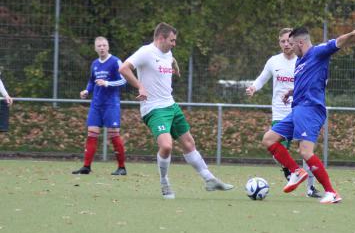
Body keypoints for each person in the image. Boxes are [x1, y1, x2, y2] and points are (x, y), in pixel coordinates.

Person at [119, 22, 233, 199]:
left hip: (171, 105)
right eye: (172, 40)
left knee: (189, 143)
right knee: (166, 146)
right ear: (161, 38)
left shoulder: (167, 52)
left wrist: (174, 64)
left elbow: (168, 58)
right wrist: (140, 86)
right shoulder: (145, 52)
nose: (174, 44)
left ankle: (209, 179)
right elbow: (123, 68)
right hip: (154, 109)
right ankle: (164, 183)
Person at [262, 25, 355, 204]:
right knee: (269, 139)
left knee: (305, 152)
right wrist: (291, 92)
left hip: (311, 109)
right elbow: (305, 82)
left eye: (291, 43)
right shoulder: (300, 61)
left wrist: (353, 34)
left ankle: (331, 192)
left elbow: (338, 42)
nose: (289, 47)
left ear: (300, 42)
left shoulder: (317, 52)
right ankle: (296, 171)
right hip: (297, 109)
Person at [246, 28, 321, 198]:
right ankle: (291, 171)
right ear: (279, 42)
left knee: (306, 149)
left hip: (300, 110)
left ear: (295, 42)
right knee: (275, 147)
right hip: (280, 114)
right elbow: (262, 78)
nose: (286, 44)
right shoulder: (273, 61)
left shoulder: (304, 60)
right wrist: (253, 88)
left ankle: (310, 187)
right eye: (282, 41)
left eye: (289, 41)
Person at [72, 36, 127, 175]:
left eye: (104, 45)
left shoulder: (115, 62)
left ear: (108, 47)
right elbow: (91, 81)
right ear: (95, 48)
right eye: (99, 46)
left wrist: (107, 83)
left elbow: (124, 81)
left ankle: (122, 168)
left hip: (111, 104)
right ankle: (86, 167)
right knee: (92, 134)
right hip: (96, 105)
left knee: (113, 134)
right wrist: (87, 91)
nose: (102, 48)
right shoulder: (94, 63)